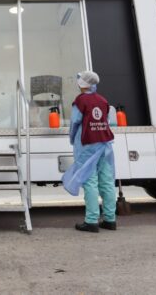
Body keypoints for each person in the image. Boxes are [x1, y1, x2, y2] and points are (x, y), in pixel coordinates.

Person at [67, 71, 117, 233]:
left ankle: (91, 221)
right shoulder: (103, 100)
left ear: (83, 84)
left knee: (89, 182)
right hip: (105, 145)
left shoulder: (80, 101)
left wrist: (72, 139)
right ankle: (110, 219)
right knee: (107, 182)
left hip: (87, 145)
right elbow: (109, 122)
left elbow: (75, 123)